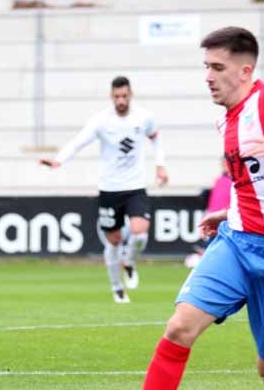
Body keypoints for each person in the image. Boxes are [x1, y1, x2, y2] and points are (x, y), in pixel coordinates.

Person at [92, 26, 264, 390]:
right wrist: (227, 210)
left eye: (217, 68)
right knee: (179, 327)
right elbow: (251, 175)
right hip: (235, 242)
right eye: (205, 68)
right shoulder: (225, 116)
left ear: (245, 69)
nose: (208, 77)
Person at [40, 76, 168, 303]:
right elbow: (79, 141)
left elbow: (156, 139)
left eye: (124, 96)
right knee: (114, 239)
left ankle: (128, 260)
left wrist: (160, 166)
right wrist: (59, 160)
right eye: (117, 97)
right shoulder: (101, 121)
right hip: (110, 188)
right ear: (112, 97)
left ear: (131, 95)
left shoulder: (144, 118)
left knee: (140, 231)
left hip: (135, 185)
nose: (121, 100)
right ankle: (117, 287)